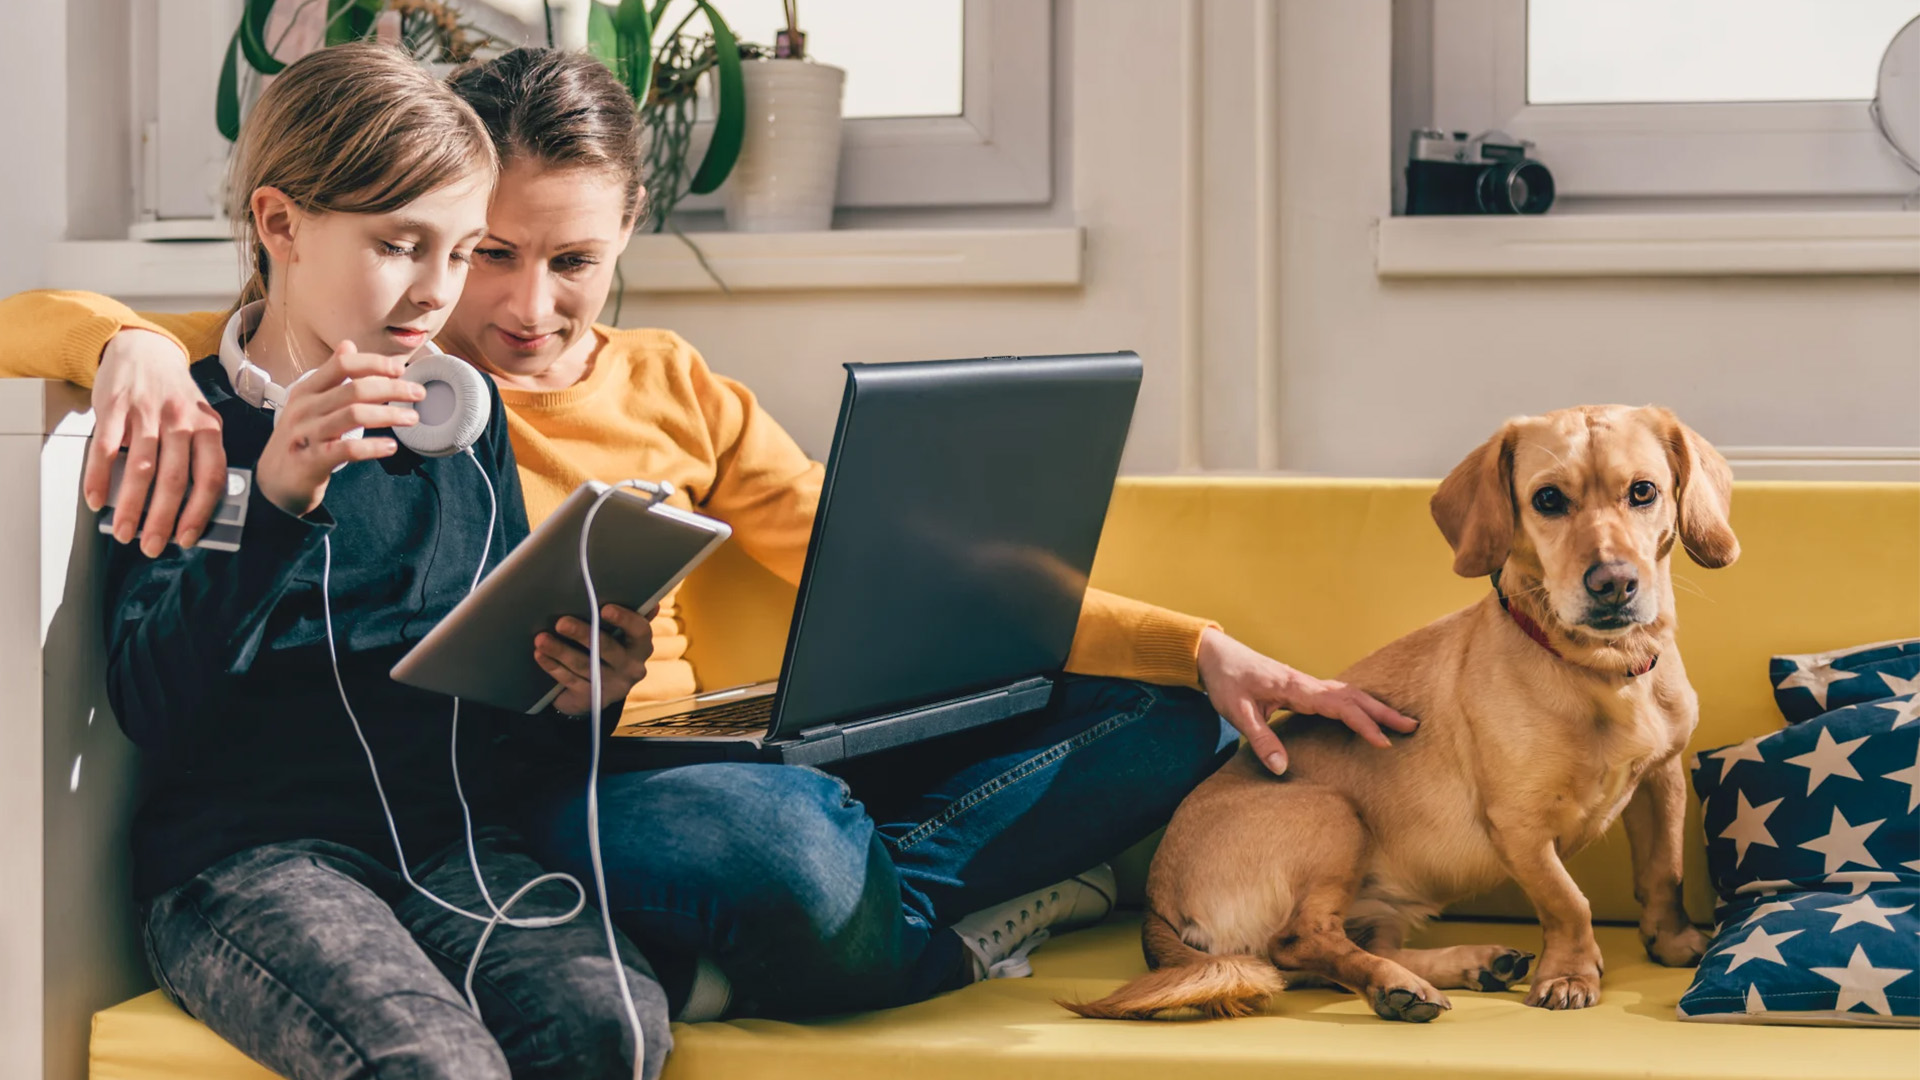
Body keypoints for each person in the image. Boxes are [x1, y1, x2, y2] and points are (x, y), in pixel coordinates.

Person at [2, 45, 1415, 1027]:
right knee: (784, 842)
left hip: (682, 730)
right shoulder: (371, 359)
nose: (519, 305)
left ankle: (856, 900)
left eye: (573, 262)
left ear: (622, 247)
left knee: (1163, 729)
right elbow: (53, 328)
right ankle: (877, 912)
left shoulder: (674, 385)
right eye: (485, 249)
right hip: (551, 780)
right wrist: (124, 341)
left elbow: (928, 579)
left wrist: (1205, 648)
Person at [95, 44, 669, 1080]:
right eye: (401, 245)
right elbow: (153, 708)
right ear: (280, 224)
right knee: (434, 1067)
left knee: (613, 1026)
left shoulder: (455, 420)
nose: (434, 293)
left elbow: (497, 744)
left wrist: (583, 690)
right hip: (250, 864)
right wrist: (275, 496)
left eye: (459, 252)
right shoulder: (199, 429)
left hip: (448, 846)